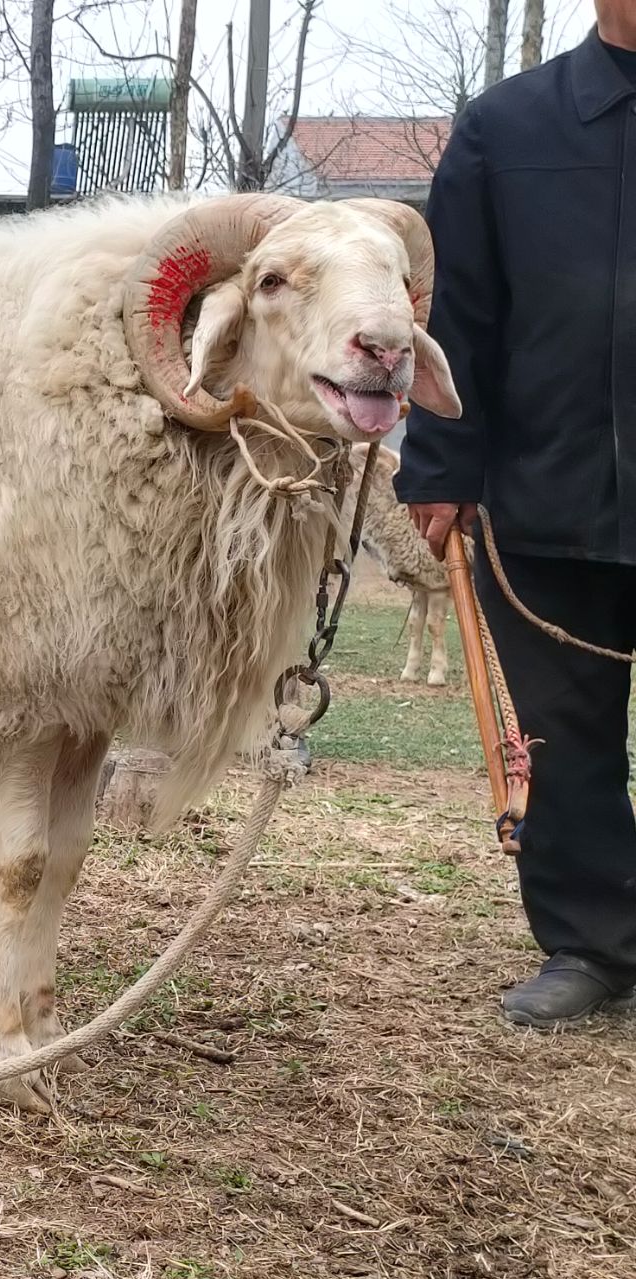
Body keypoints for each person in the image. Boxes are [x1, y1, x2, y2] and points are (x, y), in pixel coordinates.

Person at [399, 2, 636, 1026]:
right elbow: (462, 313)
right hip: (546, 492)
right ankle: (592, 946)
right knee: (564, 735)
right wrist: (441, 467)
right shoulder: (505, 127)